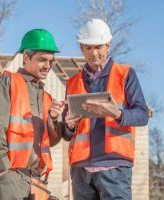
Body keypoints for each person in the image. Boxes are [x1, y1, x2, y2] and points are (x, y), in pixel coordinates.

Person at [62, 19, 149, 200]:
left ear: (108, 45)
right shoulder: (72, 82)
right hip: (81, 170)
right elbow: (67, 132)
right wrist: (68, 126)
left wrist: (117, 113)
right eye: (88, 47)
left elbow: (142, 114)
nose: (94, 53)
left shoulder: (125, 74)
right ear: (81, 48)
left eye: (99, 47)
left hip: (114, 168)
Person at [0, 29, 65, 200]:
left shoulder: (45, 97)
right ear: (26, 57)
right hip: (10, 178)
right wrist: (4, 169)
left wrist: (53, 120)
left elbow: (50, 142)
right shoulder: (8, 82)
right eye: (42, 60)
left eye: (51, 61)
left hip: (36, 179)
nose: (47, 66)